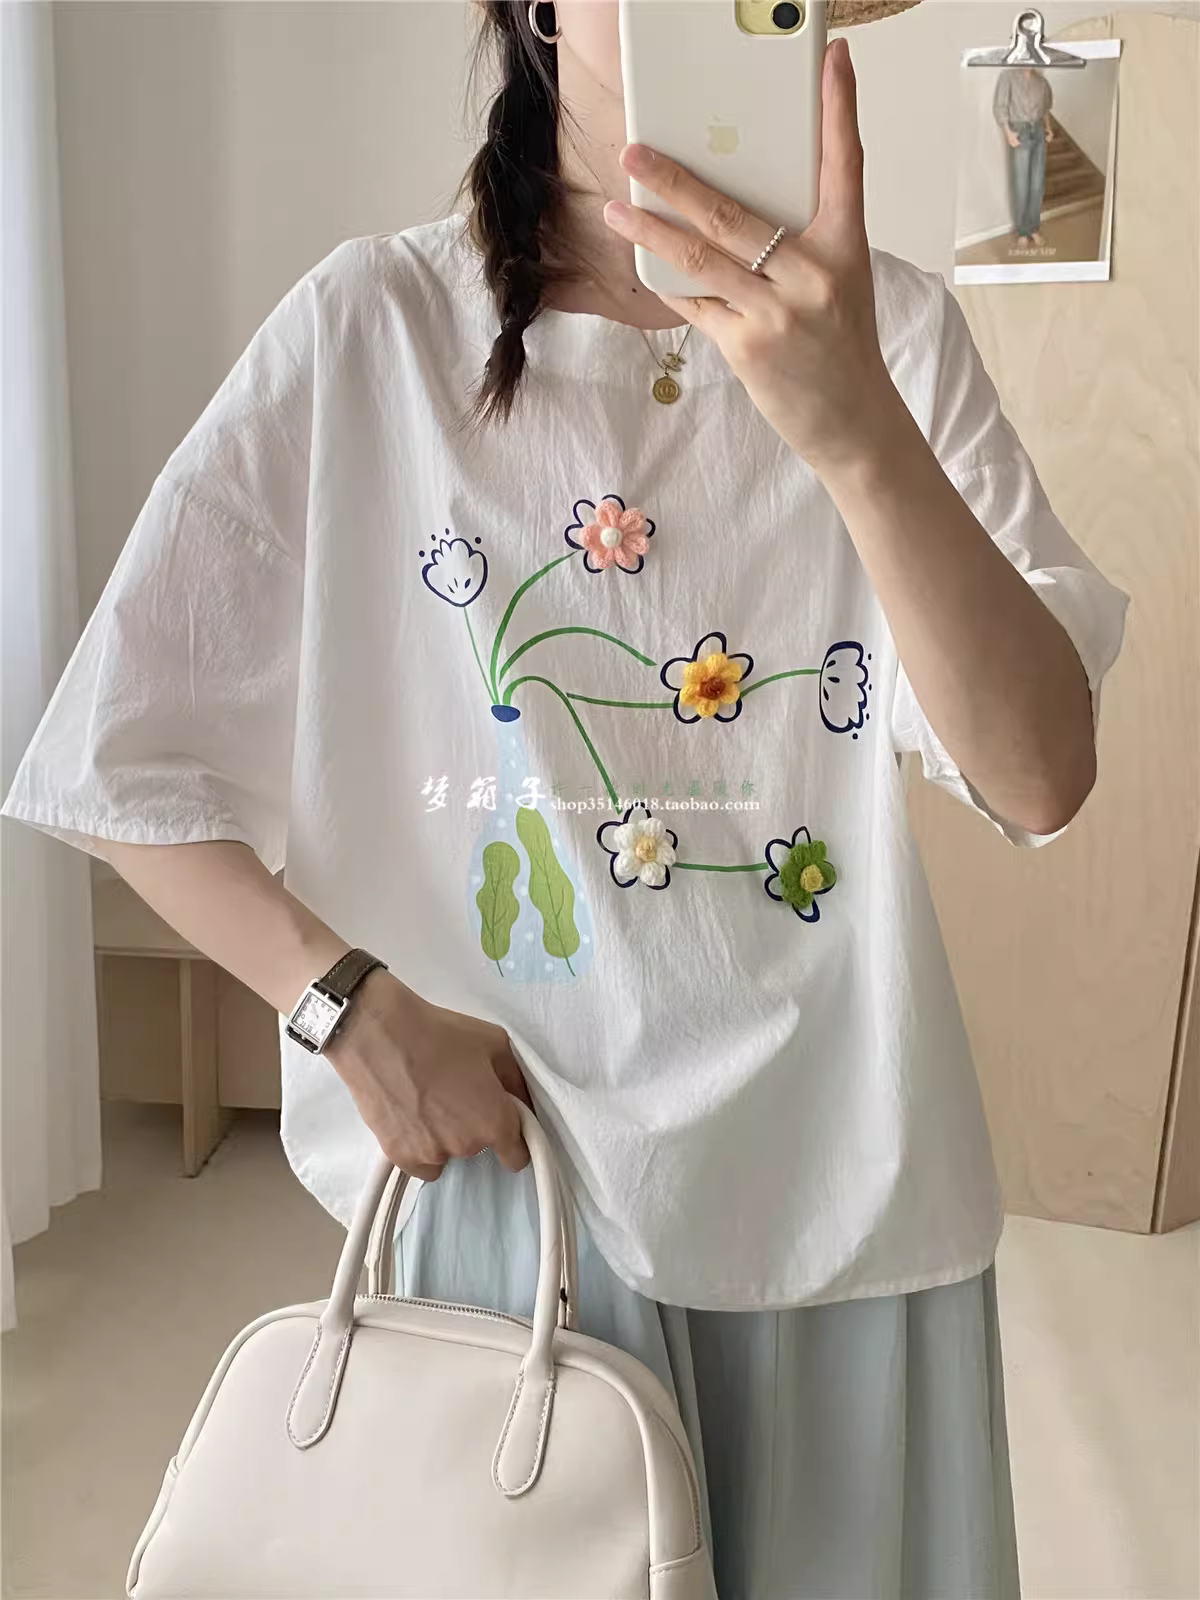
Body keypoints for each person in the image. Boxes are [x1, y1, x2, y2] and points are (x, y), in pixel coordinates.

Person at [1, 3, 1128, 1594]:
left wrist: (859, 429)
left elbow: (1041, 773)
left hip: (842, 1193)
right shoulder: (377, 328)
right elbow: (117, 756)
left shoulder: (899, 338)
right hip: (510, 1200)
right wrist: (345, 1007)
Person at [994, 66, 1056, 247]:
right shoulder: (1008, 76)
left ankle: (1033, 228)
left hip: (1038, 131)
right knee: (1021, 184)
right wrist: (1008, 133)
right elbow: (1001, 106)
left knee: (1037, 184)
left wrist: (1049, 129)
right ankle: (1022, 230)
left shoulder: (1042, 82)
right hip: (1019, 131)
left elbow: (1045, 109)